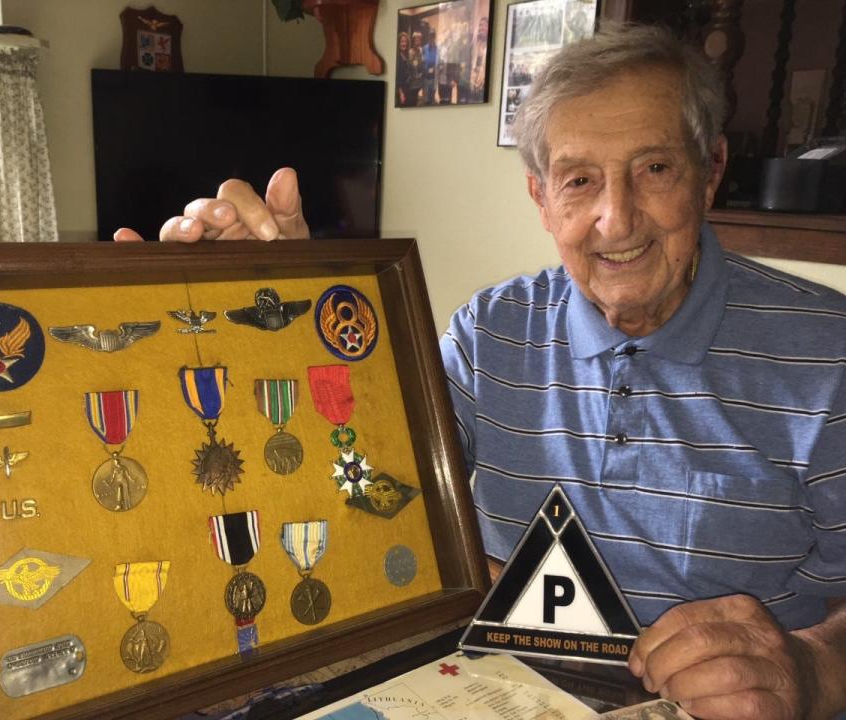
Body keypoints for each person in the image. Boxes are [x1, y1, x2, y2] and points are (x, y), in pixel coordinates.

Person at [114, 23, 846, 720]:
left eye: (654, 169)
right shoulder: (490, 329)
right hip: (492, 688)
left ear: (710, 171)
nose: (616, 220)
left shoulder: (829, 354)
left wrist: (813, 671)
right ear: (540, 197)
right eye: (579, 180)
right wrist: (276, 319)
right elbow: (367, 488)